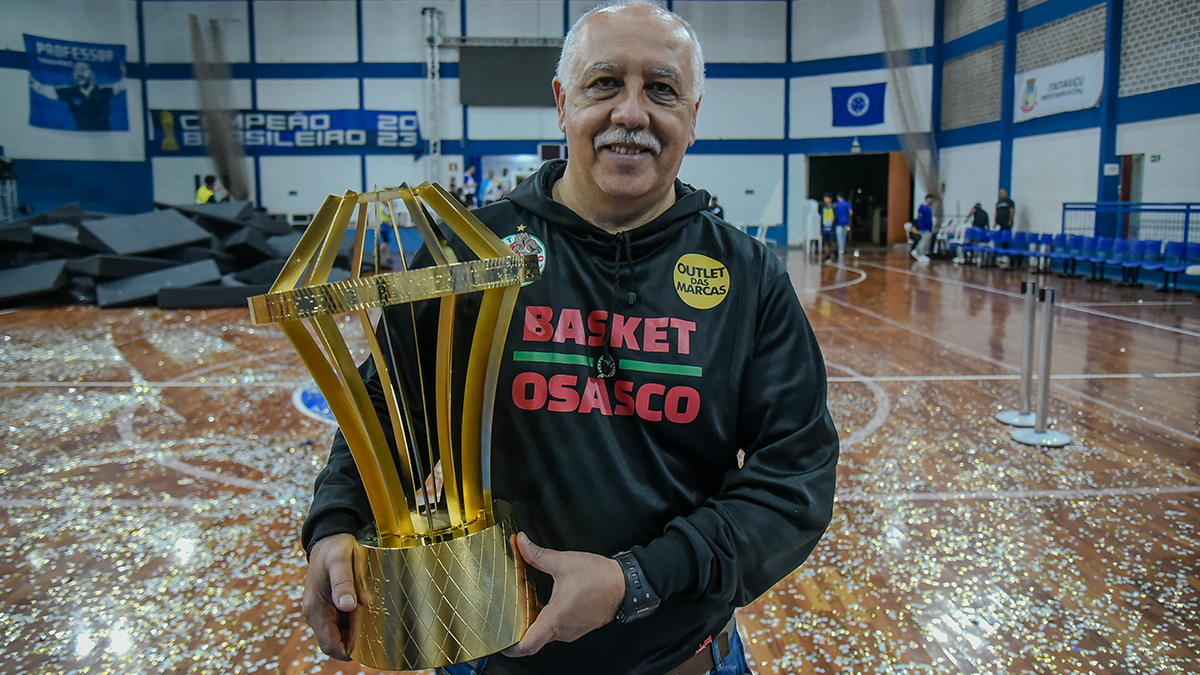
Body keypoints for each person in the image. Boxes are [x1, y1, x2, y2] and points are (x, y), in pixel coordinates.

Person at [301, 3, 838, 675]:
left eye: (662, 89)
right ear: (562, 102)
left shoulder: (748, 277)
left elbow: (794, 479)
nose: (632, 113)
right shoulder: (470, 253)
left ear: (694, 115)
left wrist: (638, 578)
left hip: (684, 661)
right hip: (486, 656)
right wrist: (336, 522)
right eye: (605, 83)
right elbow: (388, 413)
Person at [28, 61, 127, 131]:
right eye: (78, 75)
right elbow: (47, 90)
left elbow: (121, 86)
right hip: (81, 137)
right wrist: (33, 83)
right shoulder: (71, 93)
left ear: (90, 75)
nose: (80, 78)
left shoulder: (104, 91)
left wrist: (125, 72)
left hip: (104, 136)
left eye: (82, 74)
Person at [911, 194, 934, 262]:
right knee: (924, 240)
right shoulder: (926, 209)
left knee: (923, 239)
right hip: (926, 227)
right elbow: (928, 219)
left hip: (922, 226)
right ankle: (920, 252)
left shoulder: (921, 207)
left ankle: (918, 251)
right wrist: (930, 228)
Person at [833, 192, 852, 258]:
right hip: (845, 222)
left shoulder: (836, 204)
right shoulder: (847, 203)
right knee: (844, 236)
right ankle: (842, 248)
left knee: (839, 236)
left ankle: (840, 249)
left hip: (838, 222)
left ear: (838, 197)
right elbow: (851, 212)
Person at [820, 193, 836, 261]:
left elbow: (836, 217)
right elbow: (821, 217)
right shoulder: (823, 208)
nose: (825, 199)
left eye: (827, 198)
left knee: (832, 241)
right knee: (826, 242)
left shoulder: (834, 208)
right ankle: (827, 254)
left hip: (831, 227)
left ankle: (835, 252)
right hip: (825, 227)